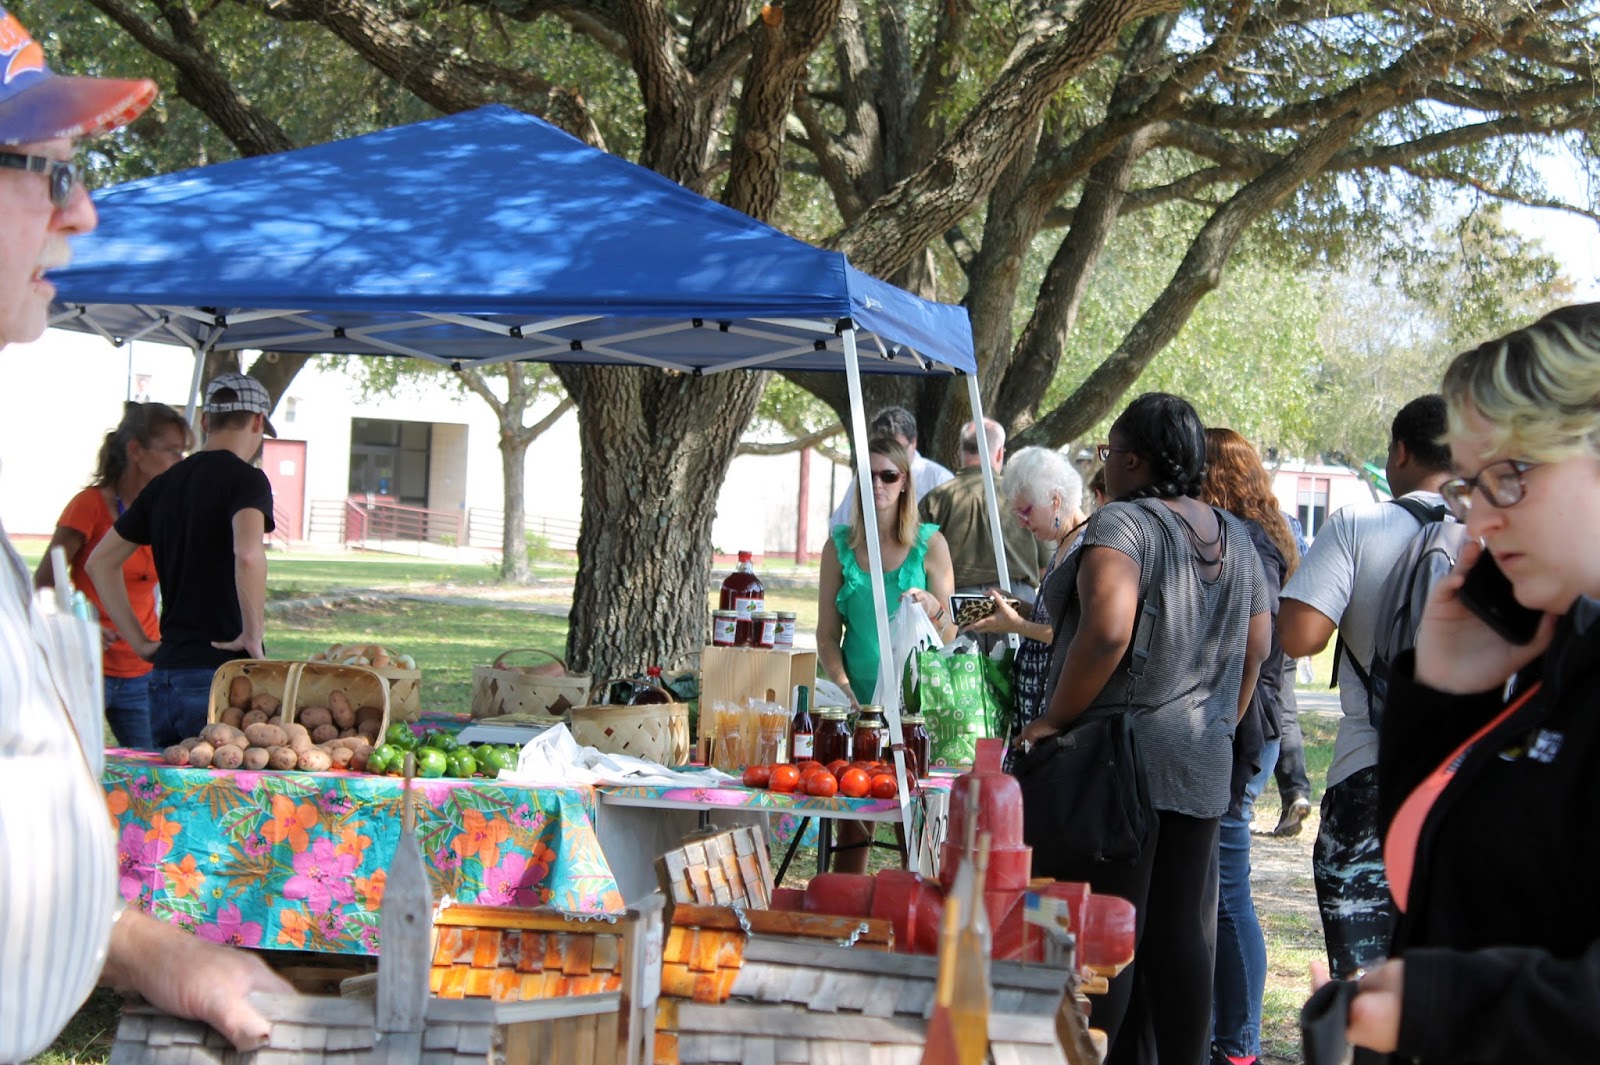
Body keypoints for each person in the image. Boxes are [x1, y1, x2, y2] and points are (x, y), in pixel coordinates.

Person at [0, 9, 291, 1059]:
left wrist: (144, 948)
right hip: (202, 667)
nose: (81, 220)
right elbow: (228, 558)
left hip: (166, 662)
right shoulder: (236, 487)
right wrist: (252, 644)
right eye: (47, 171)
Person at [1326, 303, 1600, 1063]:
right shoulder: (1560, 650)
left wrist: (1446, 1004)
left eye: (1510, 476)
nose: (1479, 523)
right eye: (1471, 486)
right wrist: (1443, 696)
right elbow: (1431, 889)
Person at [1019, 393, 1270, 1065]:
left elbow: (1105, 631)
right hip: (1199, 765)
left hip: (1115, 769)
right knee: (1184, 937)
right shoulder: (1236, 535)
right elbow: (1258, 644)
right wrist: (1222, 721)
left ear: (1131, 459)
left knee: (1106, 939)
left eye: (1107, 453)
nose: (1104, 466)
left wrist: (1052, 719)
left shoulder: (1122, 524)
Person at [1279, 395, 1453, 979]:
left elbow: (1301, 636)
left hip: (1370, 770)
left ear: (1400, 452)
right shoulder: (1494, 529)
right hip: (1468, 777)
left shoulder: (1361, 523)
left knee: (1363, 979)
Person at [89, 371, 276, 749]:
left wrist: (141, 643)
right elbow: (248, 552)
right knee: (218, 802)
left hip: (165, 675)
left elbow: (100, 563)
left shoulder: (164, 484)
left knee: (167, 802)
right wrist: (253, 634)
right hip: (221, 677)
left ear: (205, 421)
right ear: (258, 422)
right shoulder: (248, 481)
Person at [1201, 428, 1298, 1065]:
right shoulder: (1250, 535)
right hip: (1237, 733)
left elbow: (1254, 651)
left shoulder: (1250, 544)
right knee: (1216, 891)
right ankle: (1222, 1036)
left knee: (1230, 895)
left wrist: (1224, 722)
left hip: (1241, 737)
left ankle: (1239, 1045)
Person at [818, 434, 956, 873]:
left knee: (915, 834)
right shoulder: (837, 547)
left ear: (904, 484)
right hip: (861, 706)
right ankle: (846, 919)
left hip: (916, 710)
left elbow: (950, 631)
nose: (877, 484)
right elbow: (826, 635)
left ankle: (918, 924)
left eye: (888, 475)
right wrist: (845, 691)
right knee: (852, 833)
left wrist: (932, 608)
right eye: (868, 476)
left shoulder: (929, 544)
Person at [33, 402, 191, 749]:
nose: (180, 461)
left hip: (141, 669)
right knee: (72, 764)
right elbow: (42, 586)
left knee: (151, 777)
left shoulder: (167, 509)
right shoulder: (88, 506)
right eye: (171, 451)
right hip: (84, 668)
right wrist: (81, 626)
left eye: (183, 452)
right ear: (135, 450)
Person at [963, 445, 1085, 739]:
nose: (1021, 521)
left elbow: (1077, 633)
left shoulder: (1088, 548)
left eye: (1026, 511)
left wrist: (1016, 625)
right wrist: (1018, 606)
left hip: (1056, 708)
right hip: (1039, 699)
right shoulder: (1065, 544)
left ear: (1055, 500)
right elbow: (1055, 618)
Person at [919, 417, 1053, 603]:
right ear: (999, 453)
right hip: (1016, 599)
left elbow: (917, 559)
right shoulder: (1023, 496)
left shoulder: (935, 499)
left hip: (959, 602)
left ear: (960, 452)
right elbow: (1046, 567)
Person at [827, 405, 953, 527]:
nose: (889, 456)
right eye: (882, 449)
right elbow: (841, 524)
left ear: (913, 442)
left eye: (898, 449)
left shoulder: (940, 480)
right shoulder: (865, 477)